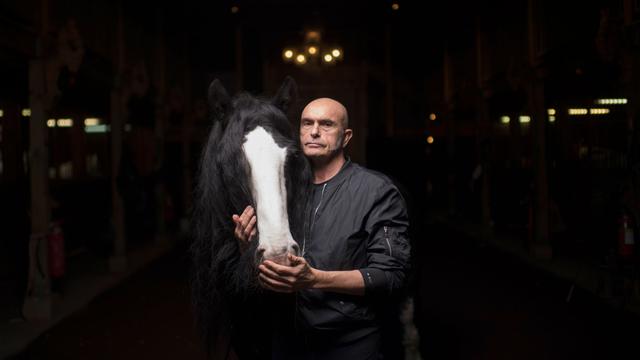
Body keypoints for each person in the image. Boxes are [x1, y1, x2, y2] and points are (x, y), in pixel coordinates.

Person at [232, 98, 411, 359]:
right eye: (307, 123)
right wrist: (246, 248)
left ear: (346, 136)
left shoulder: (376, 191)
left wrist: (315, 279)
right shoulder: (282, 193)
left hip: (350, 344)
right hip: (288, 343)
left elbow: (392, 276)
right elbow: (264, 275)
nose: (314, 131)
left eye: (326, 124)